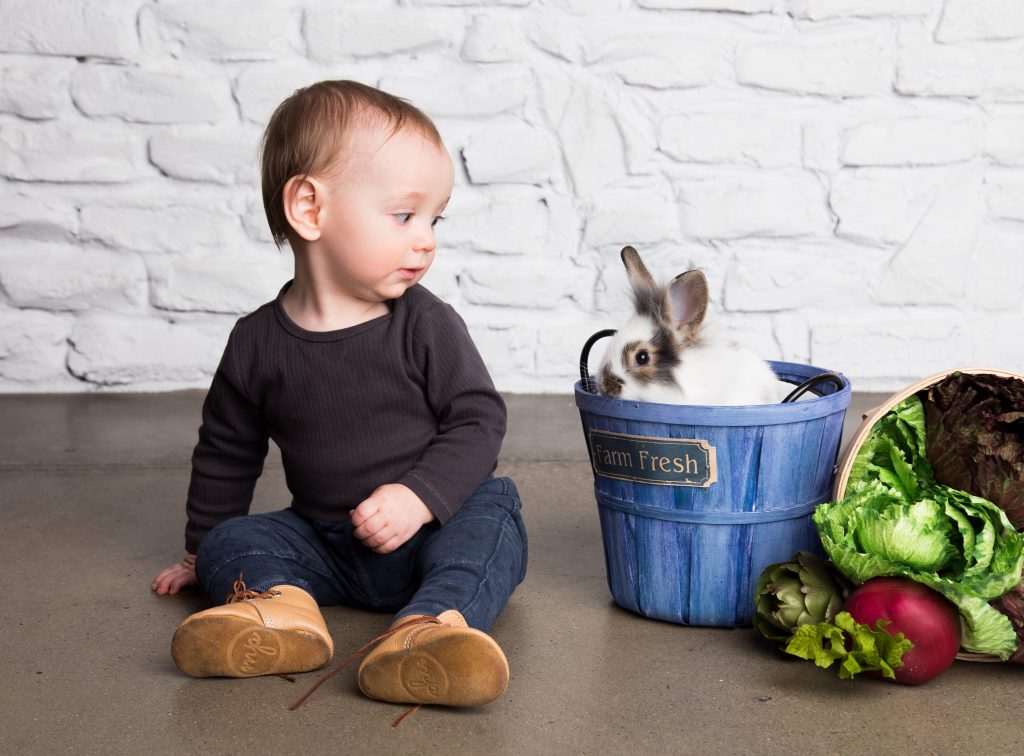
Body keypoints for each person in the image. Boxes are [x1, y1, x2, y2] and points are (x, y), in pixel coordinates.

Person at [150, 80, 528, 712]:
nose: (427, 237)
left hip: (431, 529)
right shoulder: (255, 343)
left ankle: (430, 627)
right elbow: (226, 451)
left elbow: (478, 419)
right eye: (405, 215)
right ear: (310, 208)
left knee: (495, 515)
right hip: (325, 542)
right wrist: (201, 550)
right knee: (229, 543)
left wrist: (418, 497)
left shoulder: (423, 323)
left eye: (436, 218)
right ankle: (283, 611)